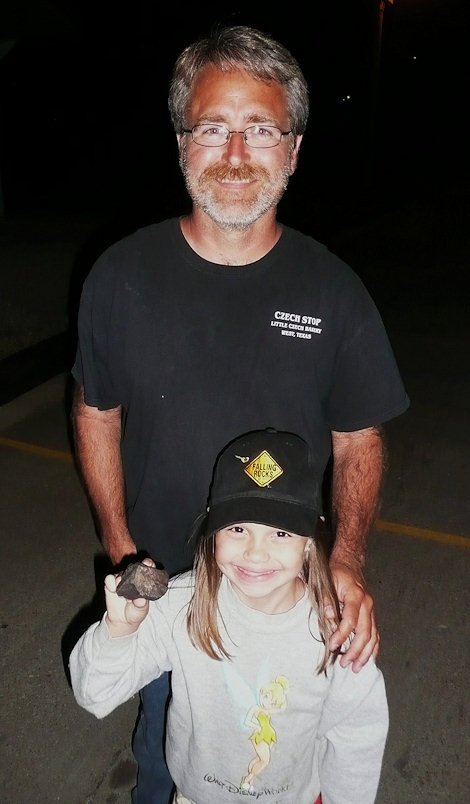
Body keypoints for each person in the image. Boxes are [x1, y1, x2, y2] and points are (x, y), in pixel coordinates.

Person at [71, 24, 409, 803]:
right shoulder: (120, 277)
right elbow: (96, 413)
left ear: (293, 151)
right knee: (168, 760)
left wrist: (348, 563)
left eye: (260, 130)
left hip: (287, 591)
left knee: (285, 752)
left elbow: (359, 440)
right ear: (181, 142)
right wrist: (121, 549)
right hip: (169, 595)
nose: (233, 155)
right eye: (212, 128)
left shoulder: (334, 291)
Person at [70, 429, 389, 804]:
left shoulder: (337, 633)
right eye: (238, 528)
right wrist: (118, 630)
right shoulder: (182, 605)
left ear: (309, 538)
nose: (255, 553)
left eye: (281, 533)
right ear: (212, 525)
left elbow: (355, 739)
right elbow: (93, 693)